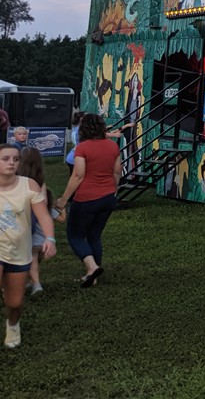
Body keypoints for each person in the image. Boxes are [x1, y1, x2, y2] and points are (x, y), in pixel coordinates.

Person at [0, 144, 57, 348]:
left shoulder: (29, 185)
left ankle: (13, 324)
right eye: (6, 159)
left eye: (16, 159)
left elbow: (44, 216)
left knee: (14, 303)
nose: (12, 163)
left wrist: (50, 238)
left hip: (19, 251)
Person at [54, 113, 122, 288]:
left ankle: (92, 268)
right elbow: (117, 172)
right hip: (108, 197)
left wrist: (63, 199)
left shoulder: (82, 148)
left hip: (86, 198)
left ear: (83, 129)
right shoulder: (113, 146)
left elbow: (78, 175)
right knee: (94, 235)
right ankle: (94, 276)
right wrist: (113, 191)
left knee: (75, 236)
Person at [16, 147, 58, 295]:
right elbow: (43, 202)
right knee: (34, 254)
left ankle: (35, 283)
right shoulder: (40, 182)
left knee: (30, 255)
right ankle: (33, 282)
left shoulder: (17, 180)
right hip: (39, 220)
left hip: (23, 221)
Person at [66, 111, 84, 178]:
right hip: (76, 159)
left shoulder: (76, 128)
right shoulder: (80, 130)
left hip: (72, 157)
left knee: (74, 178)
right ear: (81, 119)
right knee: (77, 179)